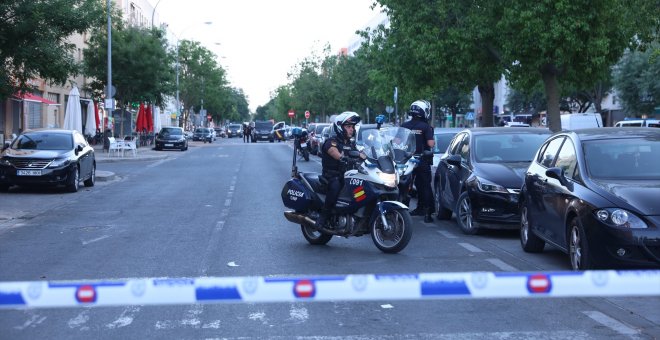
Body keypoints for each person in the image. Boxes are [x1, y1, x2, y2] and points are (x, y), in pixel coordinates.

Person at [316, 111, 363, 229]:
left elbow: (361, 154)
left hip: (348, 175)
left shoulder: (352, 144)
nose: (352, 129)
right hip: (332, 176)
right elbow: (335, 153)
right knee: (336, 185)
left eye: (352, 127)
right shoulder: (332, 142)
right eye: (348, 126)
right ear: (340, 127)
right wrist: (343, 158)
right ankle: (324, 216)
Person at [401, 100, 435, 223]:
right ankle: (428, 212)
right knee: (425, 186)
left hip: (406, 160)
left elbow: (396, 141)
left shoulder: (404, 125)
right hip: (422, 160)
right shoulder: (426, 127)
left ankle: (402, 209)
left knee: (405, 184)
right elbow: (430, 144)